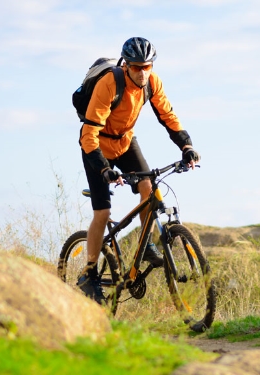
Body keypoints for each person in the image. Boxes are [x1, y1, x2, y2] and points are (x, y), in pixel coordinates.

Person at [78, 37, 200, 304]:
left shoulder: (152, 82)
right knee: (103, 212)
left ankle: (145, 247)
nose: (142, 72)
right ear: (126, 65)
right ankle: (89, 272)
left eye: (147, 66)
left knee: (149, 188)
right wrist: (104, 170)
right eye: (136, 67)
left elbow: (168, 116)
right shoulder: (109, 83)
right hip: (96, 146)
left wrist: (186, 146)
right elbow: (89, 133)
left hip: (125, 141)